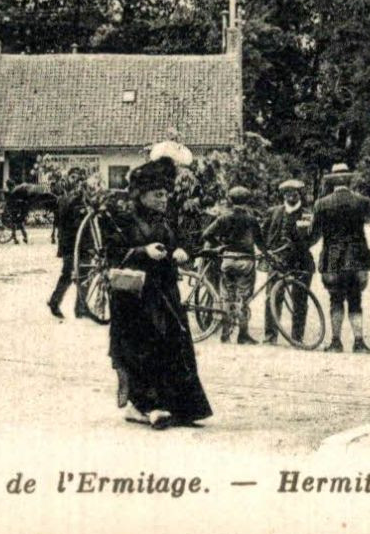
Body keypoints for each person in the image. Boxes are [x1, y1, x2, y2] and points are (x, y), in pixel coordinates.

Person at [105, 158, 211, 429]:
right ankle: (144, 406)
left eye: (166, 194)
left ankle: (181, 407)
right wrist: (142, 252)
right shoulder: (125, 219)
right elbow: (113, 254)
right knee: (143, 350)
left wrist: (180, 251)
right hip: (135, 299)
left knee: (175, 346)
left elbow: (178, 242)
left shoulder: (164, 220)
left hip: (164, 294)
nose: (164, 199)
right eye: (158, 195)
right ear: (142, 194)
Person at [310, 163, 370, 354]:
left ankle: (335, 342)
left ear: (333, 181)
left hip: (332, 258)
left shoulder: (322, 203)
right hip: (357, 258)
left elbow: (314, 234)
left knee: (335, 299)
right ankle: (359, 342)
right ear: (348, 180)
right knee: (355, 299)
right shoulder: (361, 202)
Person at [201, 185, 268, 345]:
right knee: (243, 297)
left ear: (230, 200)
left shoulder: (224, 217)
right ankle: (243, 335)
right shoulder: (251, 219)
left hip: (228, 259)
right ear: (248, 200)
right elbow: (260, 242)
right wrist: (267, 254)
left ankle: (225, 334)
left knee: (227, 296)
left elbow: (206, 234)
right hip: (246, 261)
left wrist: (219, 246)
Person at [259, 178, 317, 345]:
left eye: (294, 192)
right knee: (272, 297)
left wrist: (300, 243)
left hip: (300, 262)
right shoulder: (273, 212)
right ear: (283, 194)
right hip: (277, 261)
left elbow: (313, 237)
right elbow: (263, 234)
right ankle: (270, 337)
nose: (291, 195)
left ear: (300, 194)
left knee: (300, 299)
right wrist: (268, 252)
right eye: (287, 192)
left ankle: (297, 337)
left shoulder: (307, 214)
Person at [47, 171, 95, 319]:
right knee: (79, 273)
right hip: (75, 244)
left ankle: (73, 305)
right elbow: (78, 224)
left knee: (75, 274)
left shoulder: (65, 199)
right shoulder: (75, 201)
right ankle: (74, 306)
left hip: (70, 243)